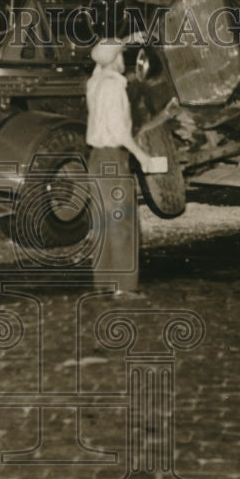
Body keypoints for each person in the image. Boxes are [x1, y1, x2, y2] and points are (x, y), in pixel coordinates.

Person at [84, 37, 166, 294]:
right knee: (122, 223)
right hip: (113, 158)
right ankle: (125, 289)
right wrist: (142, 156)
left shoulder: (94, 82)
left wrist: (129, 38)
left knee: (102, 224)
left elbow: (101, 59)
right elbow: (119, 131)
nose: (124, 59)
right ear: (116, 58)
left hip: (96, 158)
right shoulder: (114, 87)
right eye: (121, 54)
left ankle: (104, 286)